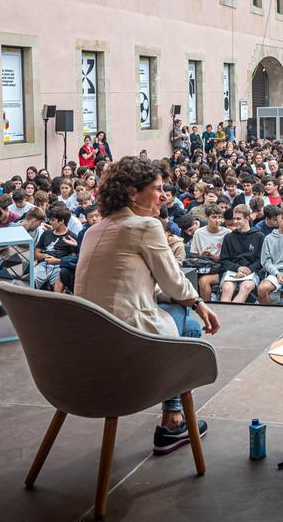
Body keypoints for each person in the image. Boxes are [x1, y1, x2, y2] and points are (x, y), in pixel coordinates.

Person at [75, 156, 220, 455]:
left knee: (182, 313)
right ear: (132, 192)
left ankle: (173, 417)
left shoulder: (94, 230)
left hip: (83, 357)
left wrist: (187, 298)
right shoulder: (145, 226)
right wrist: (198, 304)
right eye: (157, 188)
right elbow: (173, 282)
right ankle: (173, 420)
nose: (164, 195)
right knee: (190, 323)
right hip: (125, 350)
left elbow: (133, 284)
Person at [219, 206, 265, 303]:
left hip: (251, 272)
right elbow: (224, 260)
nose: (235, 221)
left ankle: (232, 316)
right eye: (234, 218)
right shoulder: (228, 237)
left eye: (238, 219)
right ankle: (223, 317)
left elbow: (261, 260)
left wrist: (247, 271)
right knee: (227, 288)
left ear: (247, 218)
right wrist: (237, 268)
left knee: (245, 287)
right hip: (232, 272)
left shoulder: (259, 236)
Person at [34, 206, 76, 293]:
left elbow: (73, 260)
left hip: (59, 267)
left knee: (58, 286)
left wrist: (58, 261)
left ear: (62, 221)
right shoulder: (46, 234)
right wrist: (43, 255)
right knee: (31, 279)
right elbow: (36, 253)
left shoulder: (72, 237)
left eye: (53, 220)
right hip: (43, 264)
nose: (50, 222)